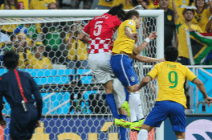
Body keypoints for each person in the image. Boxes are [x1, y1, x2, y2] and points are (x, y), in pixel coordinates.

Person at [136, 47, 212, 140]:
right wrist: (206, 96)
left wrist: (138, 87)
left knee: (144, 129)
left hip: (163, 103)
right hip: (178, 104)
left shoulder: (159, 66)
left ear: (164, 56)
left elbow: (146, 79)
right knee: (180, 135)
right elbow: (199, 82)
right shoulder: (183, 68)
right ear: (177, 57)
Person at [78, 4, 130, 140]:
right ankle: (125, 116)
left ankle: (116, 118)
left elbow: (80, 37)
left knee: (108, 88)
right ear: (118, 15)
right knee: (126, 80)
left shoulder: (94, 19)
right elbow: (125, 31)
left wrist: (94, 41)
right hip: (105, 56)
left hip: (92, 57)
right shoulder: (114, 19)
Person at [110, 10, 164, 130]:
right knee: (135, 88)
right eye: (140, 20)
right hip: (121, 59)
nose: (139, 23)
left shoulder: (125, 42)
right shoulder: (129, 22)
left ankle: (135, 121)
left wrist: (157, 57)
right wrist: (131, 34)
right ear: (135, 17)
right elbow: (127, 29)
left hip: (122, 60)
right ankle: (139, 119)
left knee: (133, 90)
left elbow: (138, 54)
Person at [0, 51, 43, 140]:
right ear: (18, 62)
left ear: (4, 64)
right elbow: (39, 99)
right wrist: (37, 117)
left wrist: (0, 118)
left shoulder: (2, 79)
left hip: (18, 113)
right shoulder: (28, 75)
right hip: (32, 112)